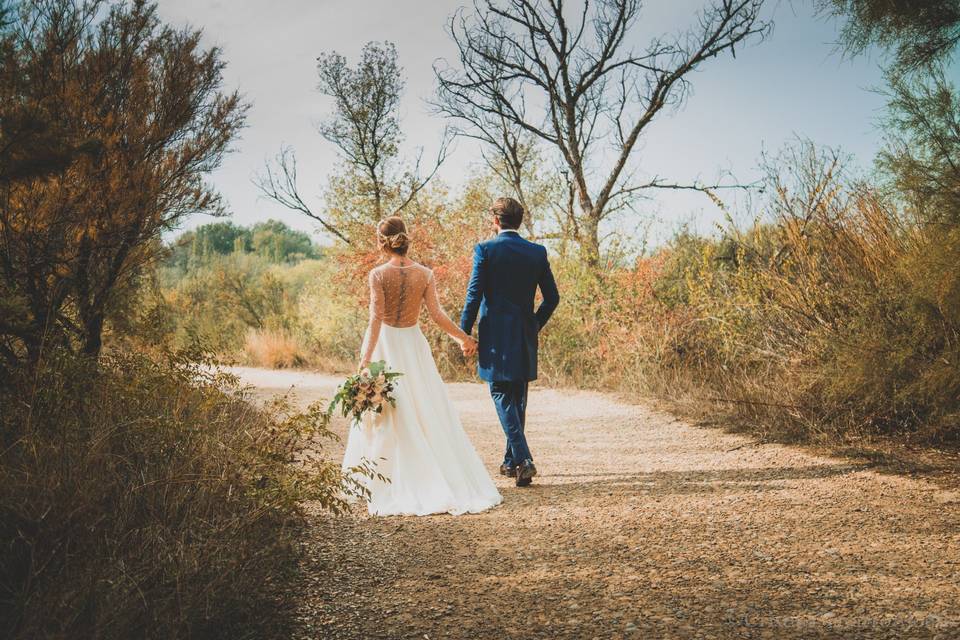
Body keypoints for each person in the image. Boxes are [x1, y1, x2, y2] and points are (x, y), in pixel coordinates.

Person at [341, 216, 503, 516]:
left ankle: (385, 480)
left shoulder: (377, 275)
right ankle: (435, 475)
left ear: (382, 242)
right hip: (414, 347)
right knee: (424, 408)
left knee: (386, 412)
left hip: (386, 346)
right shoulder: (425, 273)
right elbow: (437, 315)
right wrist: (463, 338)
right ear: (406, 241)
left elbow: (375, 319)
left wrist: (364, 362)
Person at [460, 197, 560, 487]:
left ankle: (524, 459)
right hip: (524, 334)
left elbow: (473, 295)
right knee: (517, 398)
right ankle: (511, 462)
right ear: (520, 221)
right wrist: (534, 324)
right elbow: (552, 298)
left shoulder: (485, 250)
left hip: (494, 336)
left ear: (495, 221)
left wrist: (464, 333)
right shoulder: (537, 252)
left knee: (501, 394)